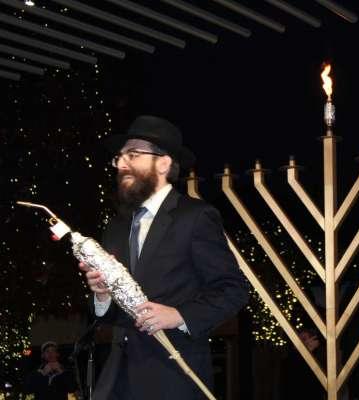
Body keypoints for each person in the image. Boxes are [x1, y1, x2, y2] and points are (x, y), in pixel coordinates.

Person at [79, 115, 248, 399]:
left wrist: (179, 315)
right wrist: (102, 297)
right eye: (119, 157)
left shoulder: (195, 217)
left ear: (163, 163)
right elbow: (120, 314)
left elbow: (233, 289)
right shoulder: (116, 226)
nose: (121, 164)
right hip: (118, 380)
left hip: (173, 377)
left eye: (133, 155)